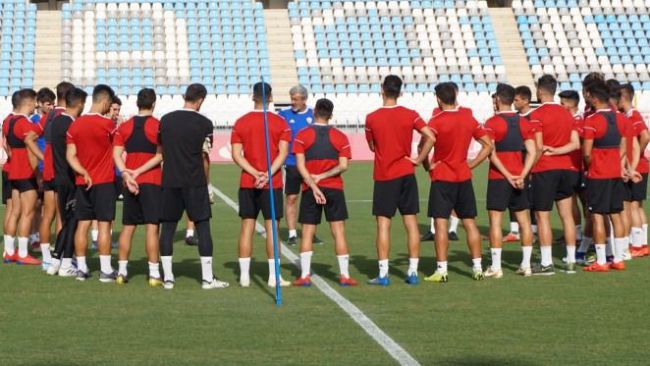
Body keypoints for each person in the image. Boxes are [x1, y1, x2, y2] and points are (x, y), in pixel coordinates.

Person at [365, 75, 434, 286]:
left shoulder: (372, 118)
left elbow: (371, 146)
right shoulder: (410, 114)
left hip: (385, 175)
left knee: (383, 224)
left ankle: (384, 274)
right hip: (406, 173)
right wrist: (418, 160)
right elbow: (431, 136)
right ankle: (412, 272)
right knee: (411, 223)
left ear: (382, 89)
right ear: (400, 91)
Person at [158, 83, 228, 290]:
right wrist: (207, 185)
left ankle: (168, 278)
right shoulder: (204, 123)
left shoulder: (166, 120)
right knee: (203, 227)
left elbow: (161, 151)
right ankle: (207, 279)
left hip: (170, 180)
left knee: (168, 228)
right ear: (200, 100)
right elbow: (205, 157)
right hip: (195, 181)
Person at [423, 82, 492, 283]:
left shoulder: (436, 121)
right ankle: (477, 268)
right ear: (455, 95)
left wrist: (428, 166)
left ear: (438, 99)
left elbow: (424, 147)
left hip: (443, 177)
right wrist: (471, 164)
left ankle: (442, 270)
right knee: (470, 223)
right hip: (463, 176)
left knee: (440, 223)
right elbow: (488, 145)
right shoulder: (468, 117)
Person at [231, 82, 292, 288]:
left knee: (246, 227)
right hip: (271, 182)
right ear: (271, 97)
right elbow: (283, 154)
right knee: (272, 229)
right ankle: (274, 276)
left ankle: (245, 276)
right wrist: (266, 173)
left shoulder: (241, 122)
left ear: (253, 96)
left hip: (248, 181)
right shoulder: (280, 123)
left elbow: (236, 155)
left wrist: (254, 172)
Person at [291, 98, 357, 287]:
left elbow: (300, 165)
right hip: (334, 188)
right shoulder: (341, 136)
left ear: (314, 113)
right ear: (331, 115)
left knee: (307, 232)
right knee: (338, 232)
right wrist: (323, 176)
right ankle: (344, 275)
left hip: (310, 190)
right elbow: (343, 166)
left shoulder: (303, 135)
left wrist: (313, 183)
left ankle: (304, 275)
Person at [483, 84, 540, 278]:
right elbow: (533, 152)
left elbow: (491, 153)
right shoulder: (524, 122)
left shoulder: (491, 123)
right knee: (525, 223)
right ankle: (526, 265)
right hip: (519, 179)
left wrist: (508, 176)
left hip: (499, 178)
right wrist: (522, 175)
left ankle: (496, 267)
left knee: (495, 223)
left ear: (498, 99)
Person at [582, 81, 638, 272]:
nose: (587, 98)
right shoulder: (621, 118)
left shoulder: (591, 121)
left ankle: (600, 261)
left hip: (598, 174)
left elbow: (587, 153)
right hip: (615, 173)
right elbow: (624, 146)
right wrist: (617, 162)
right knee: (616, 215)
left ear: (595, 98)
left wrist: (590, 166)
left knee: (597, 216)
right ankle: (619, 258)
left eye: (588, 95)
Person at [528, 75, 581, 275]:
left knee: (543, 217)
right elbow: (575, 144)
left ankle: (547, 263)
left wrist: (528, 169)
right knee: (567, 216)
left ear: (540, 91)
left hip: (545, 170)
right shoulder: (567, 114)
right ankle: (570, 261)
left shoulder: (537, 115)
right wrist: (558, 151)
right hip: (566, 169)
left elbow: (539, 147)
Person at [65, 84, 118, 282]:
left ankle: (82, 268)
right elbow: (117, 152)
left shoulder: (75, 125)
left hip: (82, 182)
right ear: (104, 102)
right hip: (104, 181)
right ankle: (105, 270)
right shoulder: (108, 125)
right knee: (104, 225)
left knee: (83, 225)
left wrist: (83, 172)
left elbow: (70, 156)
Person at [112, 88, 163, 286]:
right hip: (151, 181)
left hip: (130, 182)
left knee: (127, 227)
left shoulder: (125, 126)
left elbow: (116, 155)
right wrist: (138, 172)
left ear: (137, 104)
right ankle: (153, 274)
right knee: (152, 228)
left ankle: (122, 272)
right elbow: (160, 155)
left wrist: (127, 173)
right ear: (153, 103)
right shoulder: (157, 126)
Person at [45, 86, 87, 277]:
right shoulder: (72, 124)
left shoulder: (55, 121)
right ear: (79, 104)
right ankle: (66, 264)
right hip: (70, 178)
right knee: (72, 222)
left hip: (58, 176)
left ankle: (55, 262)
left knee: (67, 221)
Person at [2, 88, 42, 265]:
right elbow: (31, 149)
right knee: (27, 212)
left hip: (13, 171)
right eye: (35, 101)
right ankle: (23, 253)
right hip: (25, 171)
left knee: (14, 212)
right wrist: (38, 172)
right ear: (27, 102)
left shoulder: (7, 121)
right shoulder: (24, 123)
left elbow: (6, 146)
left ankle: (9, 251)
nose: (36, 104)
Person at [279, 85, 321, 246]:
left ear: (304, 99)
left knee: (311, 199)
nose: (293, 102)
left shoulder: (313, 114)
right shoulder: (283, 115)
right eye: (292, 99)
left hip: (311, 164)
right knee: (291, 197)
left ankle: (311, 232)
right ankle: (291, 233)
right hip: (291, 163)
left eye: (296, 99)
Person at [558, 90, 592, 264]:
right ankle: (577, 235)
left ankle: (589, 236)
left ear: (571, 104)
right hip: (570, 168)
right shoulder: (567, 119)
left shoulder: (580, 120)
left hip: (581, 168)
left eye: (563, 103)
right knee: (570, 202)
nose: (561, 106)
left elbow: (579, 142)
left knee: (587, 204)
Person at [618, 83, 650, 257]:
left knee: (633, 206)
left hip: (637, 166)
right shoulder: (630, 115)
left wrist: (634, 155)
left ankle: (637, 245)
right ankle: (642, 243)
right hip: (639, 166)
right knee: (637, 206)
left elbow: (645, 136)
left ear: (623, 97)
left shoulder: (633, 115)